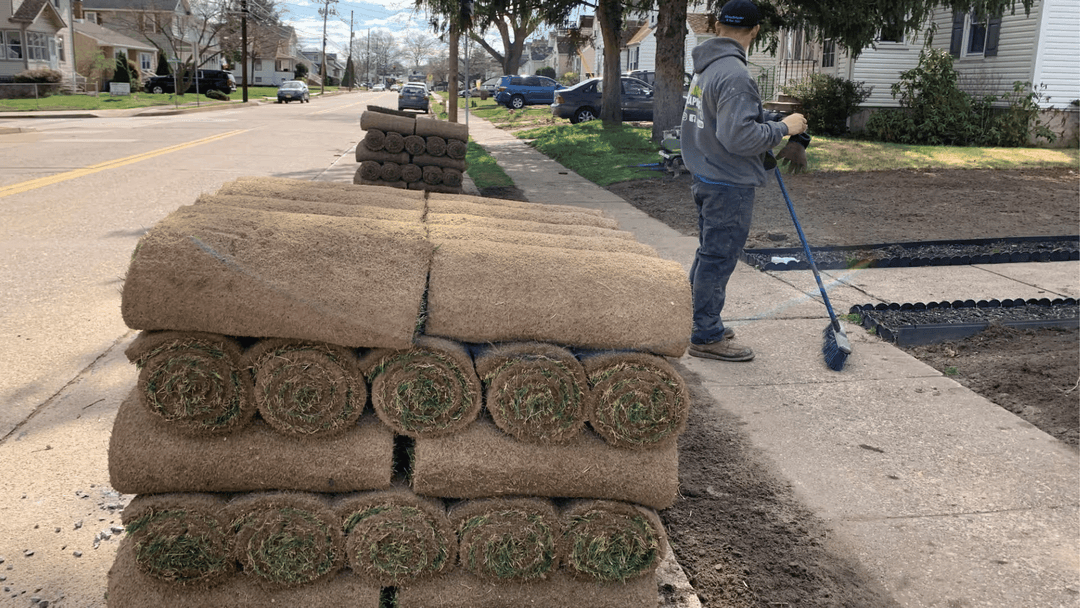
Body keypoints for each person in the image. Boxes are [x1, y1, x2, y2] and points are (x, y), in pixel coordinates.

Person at [680, 0, 807, 362]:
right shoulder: (736, 74)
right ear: (755, 32)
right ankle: (706, 335)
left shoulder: (708, 67)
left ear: (718, 26)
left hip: (707, 173)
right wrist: (785, 128)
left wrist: (762, 116)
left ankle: (697, 320)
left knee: (709, 254)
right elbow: (739, 139)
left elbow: (721, 117)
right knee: (718, 258)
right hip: (727, 182)